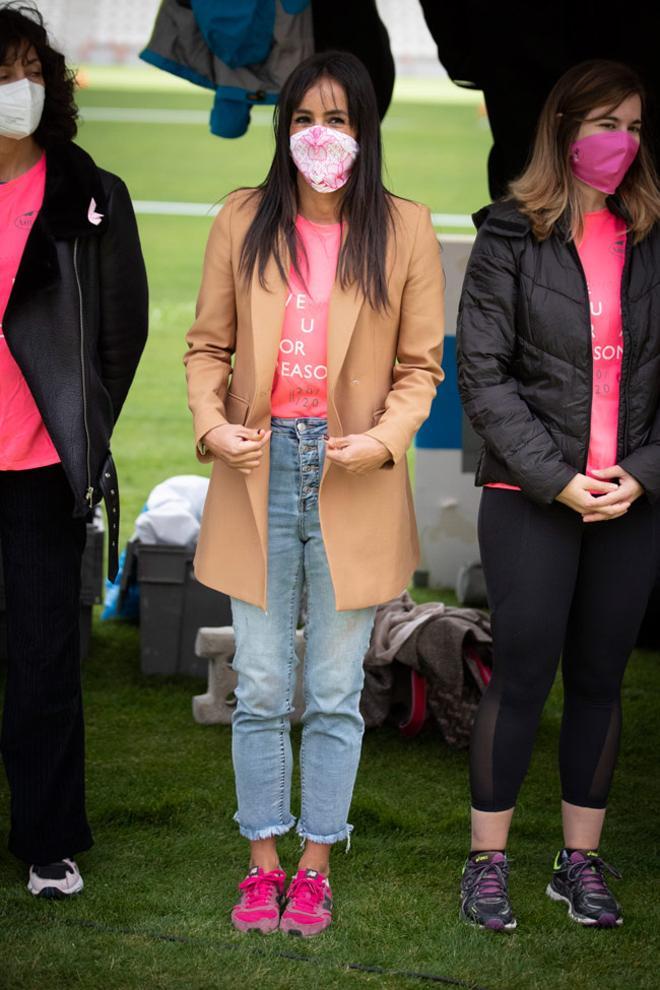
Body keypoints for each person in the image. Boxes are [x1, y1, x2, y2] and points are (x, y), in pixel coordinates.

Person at [185, 50, 444, 936]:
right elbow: (204, 348)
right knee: (260, 684)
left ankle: (317, 862)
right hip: (257, 469)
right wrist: (212, 425)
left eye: (338, 119)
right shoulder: (242, 218)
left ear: (366, 132)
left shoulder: (404, 228)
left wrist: (382, 441)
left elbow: (420, 367)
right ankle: (261, 864)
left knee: (334, 689)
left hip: (352, 473)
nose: (319, 136)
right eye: (303, 118)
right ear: (281, 127)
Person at [456, 59, 660, 931]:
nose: (622, 141)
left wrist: (642, 472)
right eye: (606, 122)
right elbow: (483, 374)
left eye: (636, 125)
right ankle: (487, 866)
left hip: (631, 499)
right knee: (524, 674)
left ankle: (578, 862)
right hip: (531, 494)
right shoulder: (509, 234)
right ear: (564, 129)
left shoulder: (651, 232)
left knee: (602, 682)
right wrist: (559, 480)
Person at [0, 3, 147, 897]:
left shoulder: (89, 191)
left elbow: (120, 332)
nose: (13, 88)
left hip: (41, 468)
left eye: (26, 68)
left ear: (50, 81)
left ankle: (48, 839)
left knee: (46, 654)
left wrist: (81, 427)